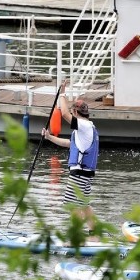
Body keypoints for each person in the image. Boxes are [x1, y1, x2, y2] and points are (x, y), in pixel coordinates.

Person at [41, 89, 99, 226]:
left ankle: (75, 238)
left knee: (72, 205)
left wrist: (62, 94)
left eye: (73, 113)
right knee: (85, 205)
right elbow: (68, 144)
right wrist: (49, 137)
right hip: (86, 173)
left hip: (79, 173)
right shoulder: (88, 128)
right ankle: (94, 235)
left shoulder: (83, 125)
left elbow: (64, 113)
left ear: (76, 113)